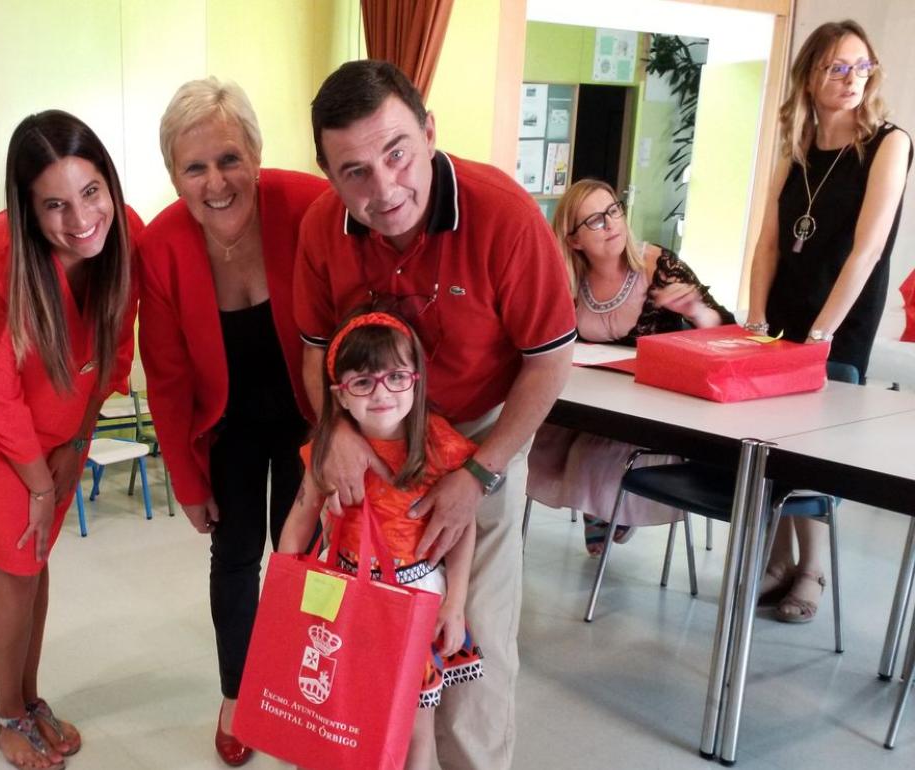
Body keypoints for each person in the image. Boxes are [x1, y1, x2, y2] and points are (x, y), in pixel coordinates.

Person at [293, 60, 577, 770]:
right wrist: (337, 433)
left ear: (428, 132)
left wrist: (479, 472)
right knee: (360, 639)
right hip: (370, 440)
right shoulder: (322, 228)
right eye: (354, 171)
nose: (384, 189)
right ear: (328, 174)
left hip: (476, 440)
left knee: (469, 638)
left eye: (396, 153)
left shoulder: (504, 216)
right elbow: (316, 350)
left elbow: (549, 361)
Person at [0, 110, 141, 770]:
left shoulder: (125, 237)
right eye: (54, 205)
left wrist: (76, 443)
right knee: (18, 561)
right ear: (26, 208)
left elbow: (113, 344)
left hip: (61, 406)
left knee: (37, 559)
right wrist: (39, 483)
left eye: (91, 193)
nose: (80, 220)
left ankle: (30, 698)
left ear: (109, 183)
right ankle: (4, 714)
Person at [136, 77, 328, 766]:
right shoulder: (161, 247)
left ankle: (309, 694)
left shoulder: (307, 204)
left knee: (303, 555)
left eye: (228, 158)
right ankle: (238, 695)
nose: (215, 182)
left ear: (254, 152)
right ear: (173, 175)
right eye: (195, 167)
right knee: (237, 553)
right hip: (231, 423)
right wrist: (187, 482)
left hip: (311, 413)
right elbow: (167, 376)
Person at [745, 20, 911, 624]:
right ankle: (779, 559)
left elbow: (866, 252)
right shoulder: (794, 145)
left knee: (813, 451)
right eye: (836, 67)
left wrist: (820, 334)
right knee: (771, 444)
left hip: (840, 318)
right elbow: (767, 243)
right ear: (810, 76)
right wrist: (757, 318)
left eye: (860, 66)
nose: (850, 79)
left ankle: (811, 570)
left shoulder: (888, 143)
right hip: (781, 314)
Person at [278, 310, 484, 770]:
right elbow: (300, 517)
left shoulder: (441, 445)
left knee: (415, 727)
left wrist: (456, 603)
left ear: (416, 380)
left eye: (395, 377)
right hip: (343, 593)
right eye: (363, 382)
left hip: (417, 600)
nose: (383, 393)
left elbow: (462, 526)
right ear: (340, 395)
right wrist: (282, 591)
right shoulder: (326, 450)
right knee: (337, 709)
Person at [526, 179, 734, 554]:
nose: (611, 225)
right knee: (536, 435)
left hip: (651, 412)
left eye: (613, 211)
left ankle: (610, 512)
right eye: (594, 221)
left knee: (589, 454)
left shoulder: (659, 265)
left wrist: (695, 312)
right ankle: (602, 510)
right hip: (594, 402)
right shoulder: (569, 279)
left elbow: (729, 330)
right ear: (574, 240)